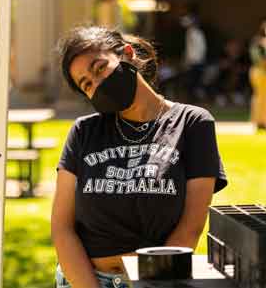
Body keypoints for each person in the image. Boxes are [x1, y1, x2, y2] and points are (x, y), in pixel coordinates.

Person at [52, 26, 227, 288]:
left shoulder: (192, 123)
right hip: (83, 282)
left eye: (100, 68)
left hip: (157, 282)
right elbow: (62, 228)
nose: (98, 84)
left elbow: (191, 226)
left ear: (128, 54)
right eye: (87, 84)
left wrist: (151, 284)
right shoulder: (84, 132)